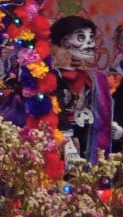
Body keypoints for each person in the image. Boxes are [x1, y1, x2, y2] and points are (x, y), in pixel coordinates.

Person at [50, 15, 117, 166]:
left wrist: (111, 125)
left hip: (88, 138)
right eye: (81, 37)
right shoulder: (51, 77)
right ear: (64, 42)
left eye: (91, 38)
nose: (89, 44)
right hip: (61, 139)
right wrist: (66, 142)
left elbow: (99, 110)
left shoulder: (94, 78)